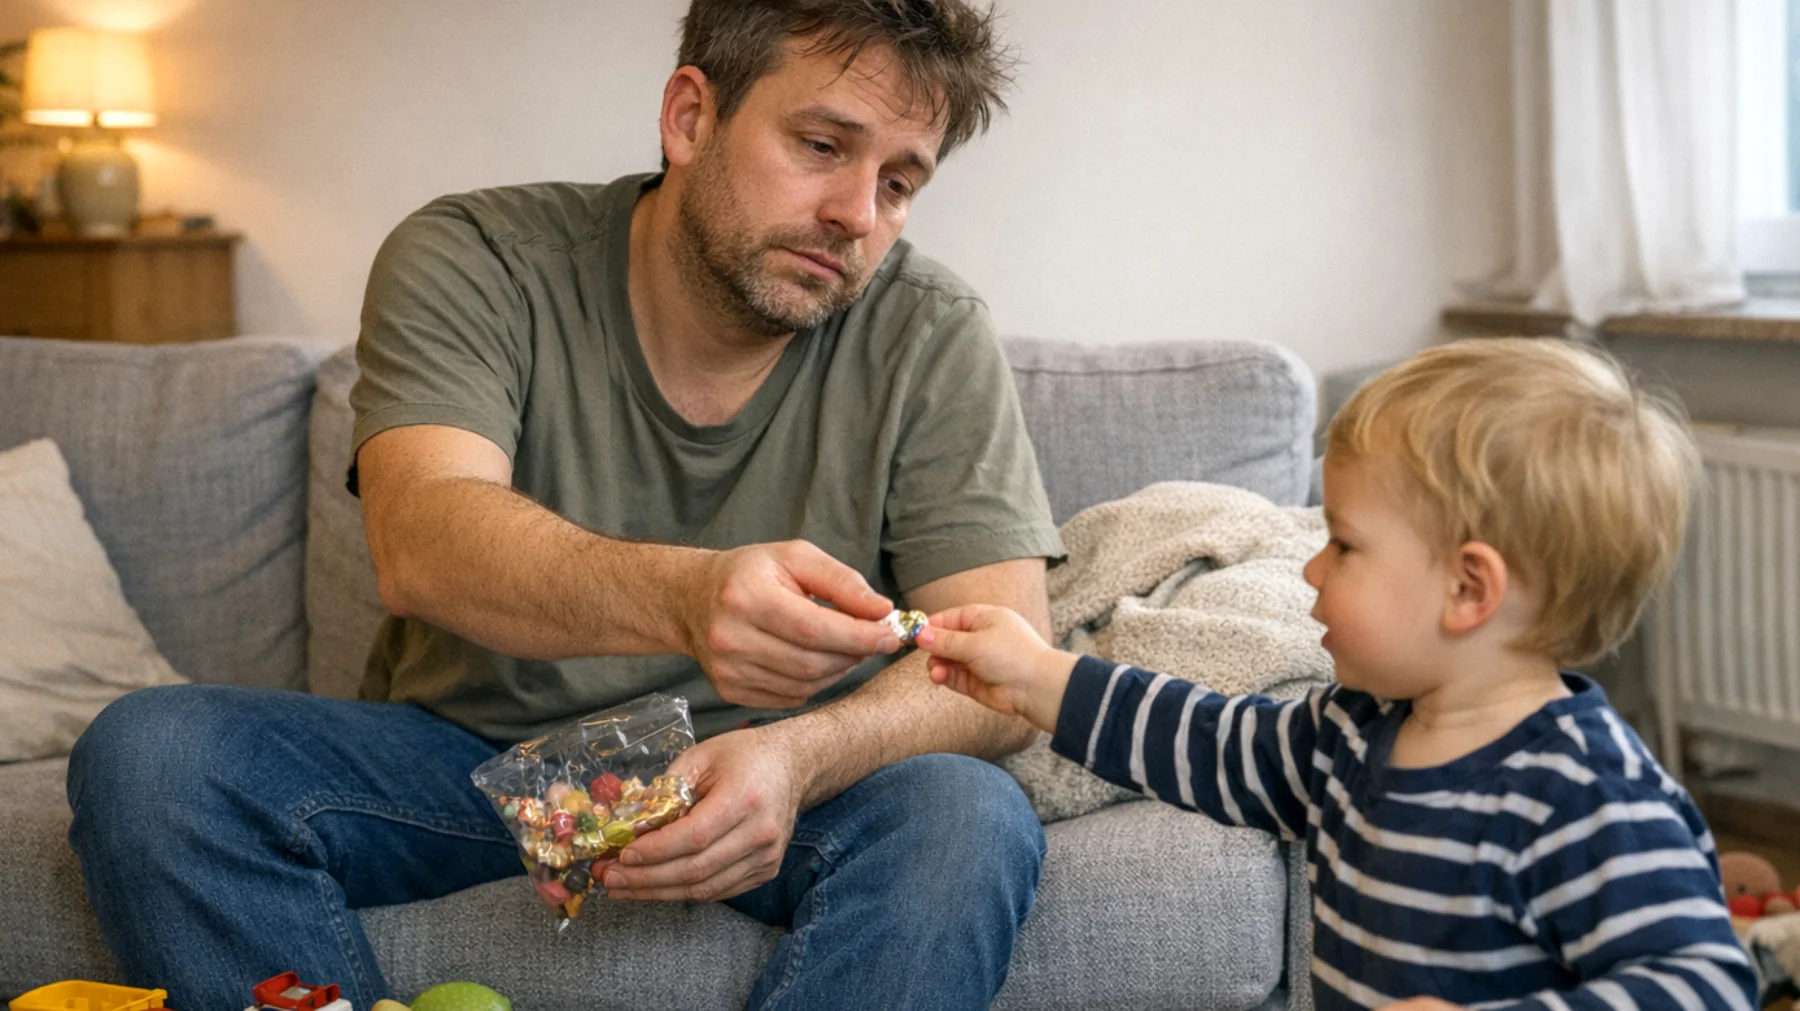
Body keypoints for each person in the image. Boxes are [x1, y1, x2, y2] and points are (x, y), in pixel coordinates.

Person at [66, 2, 1066, 1008]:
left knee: (965, 815)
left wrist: (801, 754)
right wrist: (688, 595)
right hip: (466, 765)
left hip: (768, 776)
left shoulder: (931, 334)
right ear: (688, 117)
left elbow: (1004, 660)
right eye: (820, 145)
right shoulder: (477, 256)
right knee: (158, 756)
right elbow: (419, 535)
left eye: (899, 183)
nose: (859, 212)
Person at [915, 338, 1761, 1010]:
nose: (1311, 571)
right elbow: (1201, 737)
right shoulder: (1350, 728)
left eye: (1345, 544)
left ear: (1469, 588)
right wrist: (1037, 674)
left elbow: (1706, 984)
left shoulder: (1587, 792)